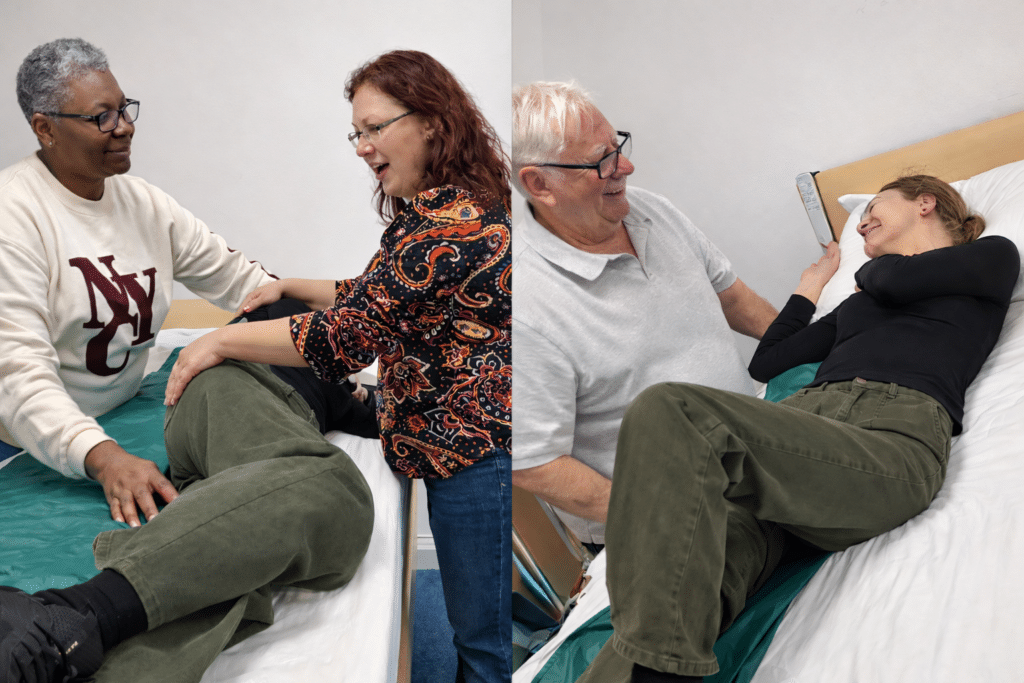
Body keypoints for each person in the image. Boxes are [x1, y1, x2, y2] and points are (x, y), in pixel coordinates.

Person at [578, 176, 1020, 683]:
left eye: (875, 207)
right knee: (677, 589)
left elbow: (894, 280)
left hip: (887, 443)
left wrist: (867, 270)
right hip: (799, 443)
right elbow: (768, 361)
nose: (864, 221)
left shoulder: (992, 257)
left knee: (673, 409)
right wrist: (809, 288)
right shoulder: (859, 302)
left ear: (926, 202)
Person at [161, 50, 513, 683]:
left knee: (480, 639)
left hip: (473, 448)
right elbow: (383, 291)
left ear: (431, 121)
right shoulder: (443, 209)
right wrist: (289, 284)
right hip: (438, 429)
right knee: (479, 623)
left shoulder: (451, 229)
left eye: (374, 128)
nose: (361, 147)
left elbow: (347, 339)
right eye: (357, 131)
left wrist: (217, 343)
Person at [0, 37, 276, 527]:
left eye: (124, 108)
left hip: (121, 413)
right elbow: (19, 378)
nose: (123, 127)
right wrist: (105, 459)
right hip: (24, 441)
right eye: (101, 116)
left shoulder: (144, 203)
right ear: (45, 128)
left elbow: (247, 284)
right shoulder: (13, 216)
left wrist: (341, 335)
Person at [511, 81, 779, 550]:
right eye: (602, 160)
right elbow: (536, 463)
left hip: (757, 462)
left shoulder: (654, 212)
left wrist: (816, 351)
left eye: (618, 147)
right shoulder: (523, 305)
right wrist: (668, 517)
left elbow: (734, 299)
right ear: (539, 184)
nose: (626, 167)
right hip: (666, 518)